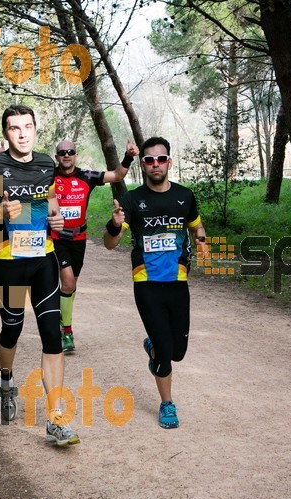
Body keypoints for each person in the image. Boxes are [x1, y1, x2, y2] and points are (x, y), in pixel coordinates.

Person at [0, 104, 80, 446]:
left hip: (42, 260)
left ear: (35, 130)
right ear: (6, 133)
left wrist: (56, 219)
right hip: (8, 261)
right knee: (11, 329)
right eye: (15, 128)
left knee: (52, 335)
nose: (23, 133)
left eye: (28, 126)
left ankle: (56, 418)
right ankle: (5, 380)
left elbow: (51, 204)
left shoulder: (45, 164)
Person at [103, 136, 206, 428]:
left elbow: (196, 225)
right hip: (146, 283)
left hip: (178, 282)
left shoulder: (185, 196)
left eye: (161, 159)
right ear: (143, 165)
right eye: (149, 160)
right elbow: (110, 243)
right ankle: (167, 404)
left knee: (177, 352)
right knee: (165, 352)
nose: (155, 164)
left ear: (169, 162)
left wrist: (201, 240)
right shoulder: (132, 200)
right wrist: (113, 224)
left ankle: (152, 348)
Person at [53, 138, 139, 354]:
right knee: (69, 282)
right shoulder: (49, 177)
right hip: (55, 238)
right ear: (57, 157)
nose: (66, 155)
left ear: (75, 155)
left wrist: (128, 156)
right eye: (62, 152)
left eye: (70, 151)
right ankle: (67, 332)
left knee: (70, 286)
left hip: (79, 239)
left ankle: (60, 316)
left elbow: (117, 175)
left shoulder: (87, 176)